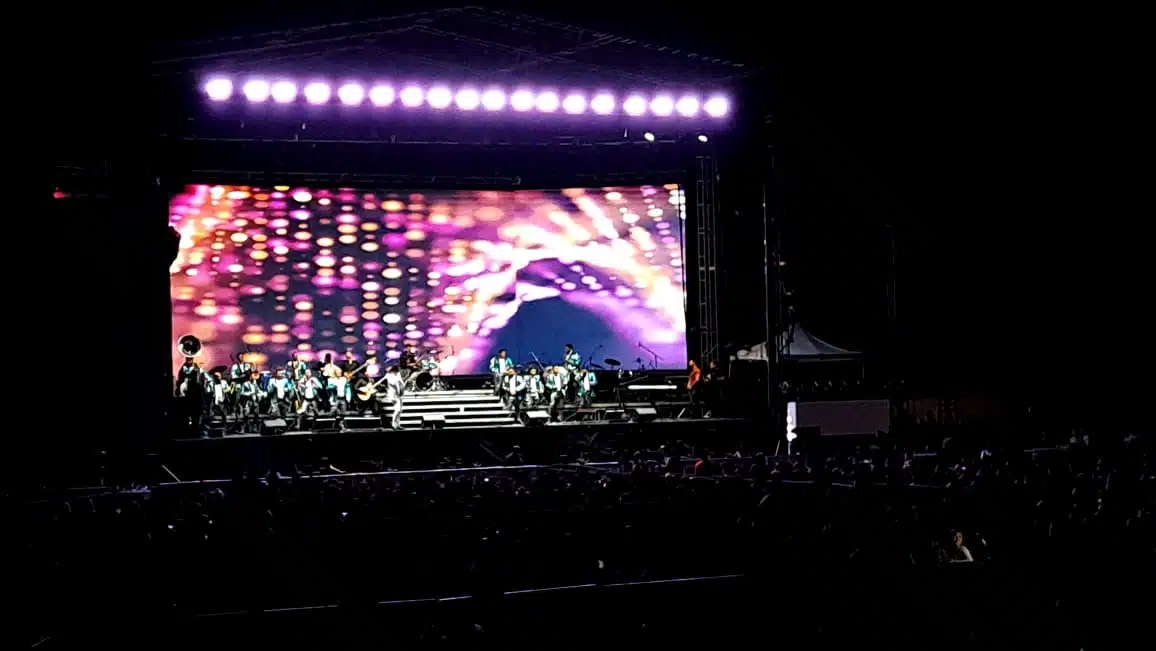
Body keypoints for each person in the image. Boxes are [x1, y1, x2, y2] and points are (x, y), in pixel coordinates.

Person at [384, 365, 406, 430]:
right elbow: (394, 385)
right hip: (394, 395)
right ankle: (393, 424)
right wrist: (399, 391)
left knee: (400, 410)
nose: (398, 372)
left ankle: (398, 424)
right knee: (397, 409)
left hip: (399, 395)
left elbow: (401, 383)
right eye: (396, 371)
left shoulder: (397, 375)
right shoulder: (389, 376)